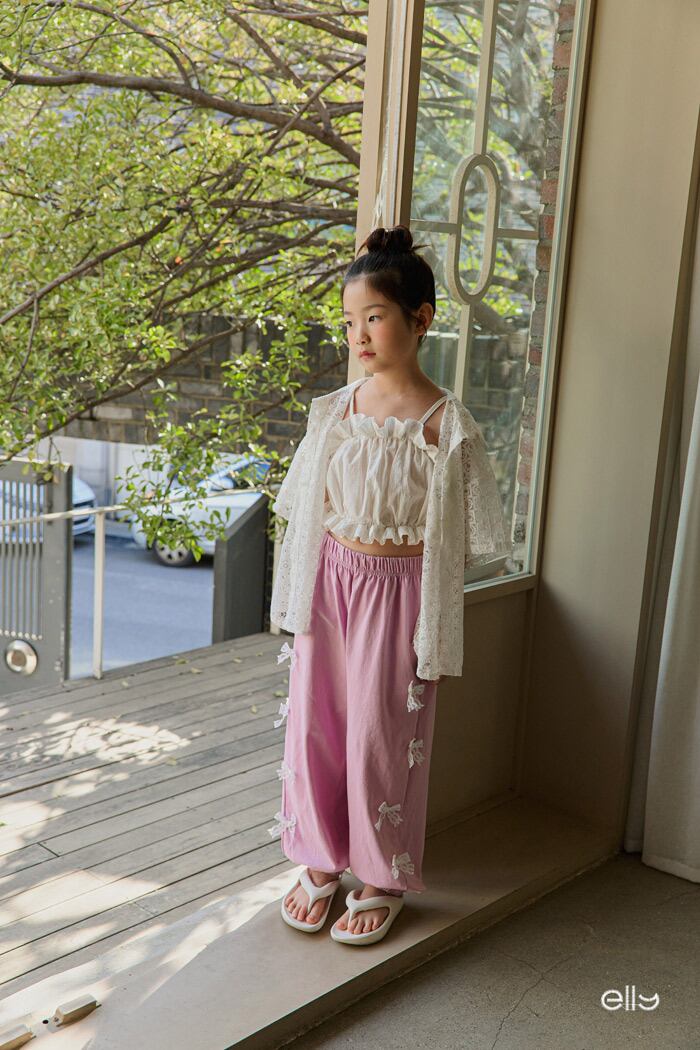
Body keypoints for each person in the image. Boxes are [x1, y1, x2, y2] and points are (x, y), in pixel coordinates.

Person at [268, 224, 511, 946]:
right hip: (331, 585)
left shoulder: (447, 427)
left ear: (420, 318)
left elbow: (472, 538)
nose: (359, 336)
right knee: (317, 726)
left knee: (381, 735)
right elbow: (304, 509)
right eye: (350, 321)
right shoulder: (336, 412)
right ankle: (319, 857)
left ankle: (381, 874)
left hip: (400, 595)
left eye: (373, 317)